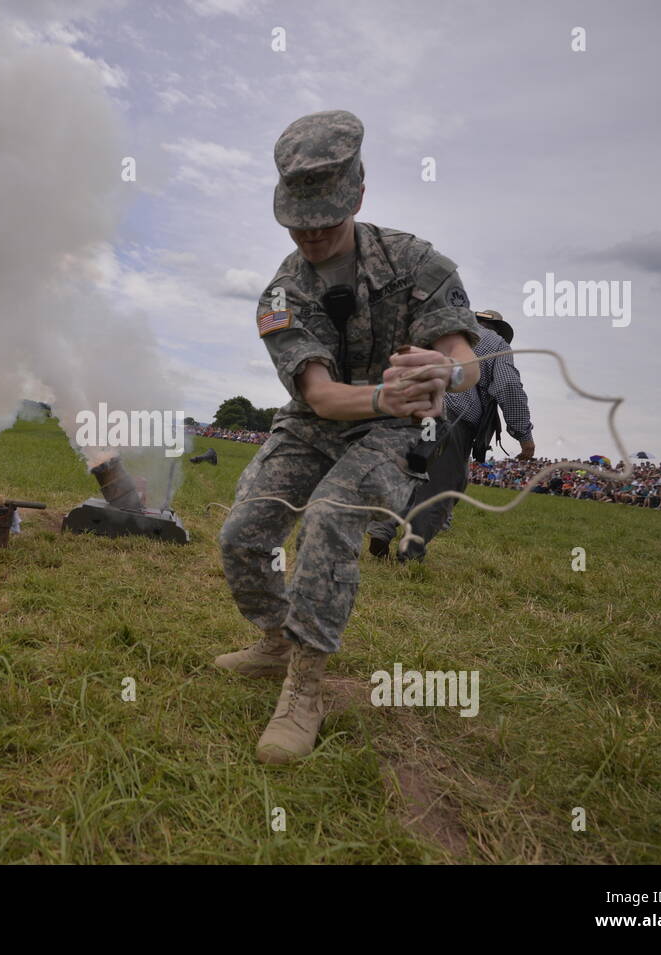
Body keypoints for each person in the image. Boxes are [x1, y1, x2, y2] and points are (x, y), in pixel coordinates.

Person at [214, 110, 481, 763]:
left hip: (395, 430)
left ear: (358, 196)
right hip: (319, 420)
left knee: (332, 518)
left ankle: (304, 690)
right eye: (297, 223)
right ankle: (278, 639)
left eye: (325, 221)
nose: (309, 235)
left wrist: (445, 368)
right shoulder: (280, 293)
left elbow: (466, 360)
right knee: (243, 535)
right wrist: (378, 392)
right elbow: (319, 395)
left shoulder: (418, 263)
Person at [365, 308, 535, 561]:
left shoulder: (441, 331)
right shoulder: (496, 344)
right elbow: (508, 385)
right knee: (442, 487)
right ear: (498, 329)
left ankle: (381, 526)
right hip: (451, 418)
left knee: (404, 471)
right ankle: (410, 553)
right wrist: (523, 433)